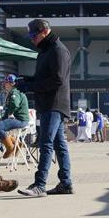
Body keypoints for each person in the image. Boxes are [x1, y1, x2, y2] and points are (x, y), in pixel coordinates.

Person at [19, 18, 74, 197]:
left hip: (54, 104)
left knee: (46, 143)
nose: (32, 39)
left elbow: (57, 80)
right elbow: (44, 77)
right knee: (59, 144)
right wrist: (26, 81)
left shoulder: (58, 50)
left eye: (34, 35)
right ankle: (65, 183)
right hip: (50, 104)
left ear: (44, 31)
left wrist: (31, 86)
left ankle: (40, 185)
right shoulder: (46, 50)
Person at [0, 74, 30, 158]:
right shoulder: (14, 91)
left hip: (20, 120)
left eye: (6, 83)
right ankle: (16, 143)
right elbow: (9, 108)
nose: (4, 85)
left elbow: (14, 104)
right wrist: (2, 119)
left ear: (11, 83)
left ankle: (10, 147)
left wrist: (10, 113)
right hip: (19, 120)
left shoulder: (15, 92)